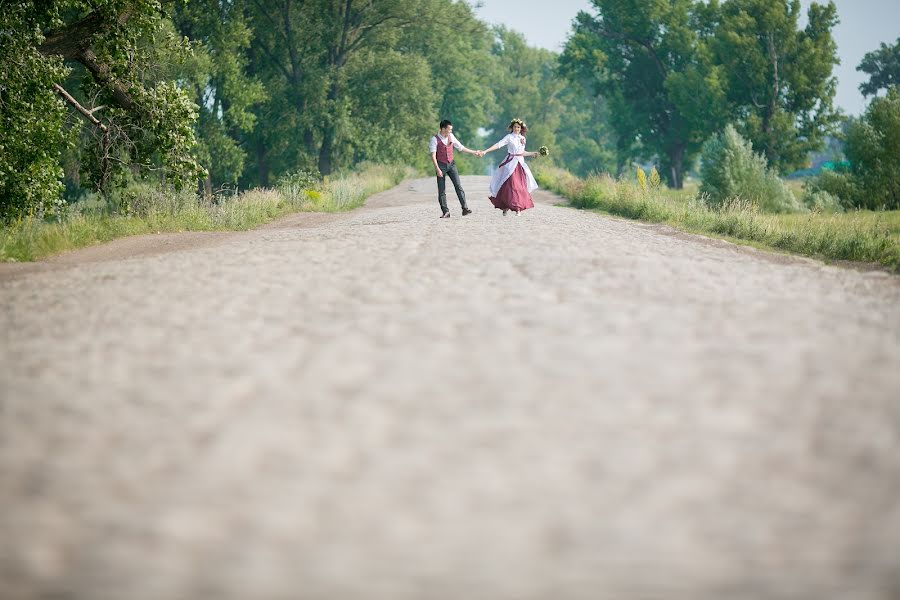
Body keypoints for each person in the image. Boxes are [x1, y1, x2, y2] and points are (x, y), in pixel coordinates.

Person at [481, 118, 541, 215]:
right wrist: (486, 151)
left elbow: (521, 152)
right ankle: (506, 206)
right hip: (510, 164)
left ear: (521, 128)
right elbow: (498, 145)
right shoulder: (509, 137)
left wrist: (532, 153)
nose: (516, 128)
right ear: (512, 127)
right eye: (514, 127)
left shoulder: (523, 138)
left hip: (520, 164)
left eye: (518, 127)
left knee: (520, 187)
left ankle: (517, 208)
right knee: (511, 186)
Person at [430, 119, 483, 218]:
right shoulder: (434, 139)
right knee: (441, 190)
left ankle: (465, 208)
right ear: (443, 129)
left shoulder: (451, 136)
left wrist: (474, 152)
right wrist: (437, 169)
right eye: (449, 129)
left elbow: (461, 148)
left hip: (451, 165)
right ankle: (446, 211)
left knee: (458, 186)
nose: (450, 131)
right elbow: (433, 155)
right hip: (440, 165)